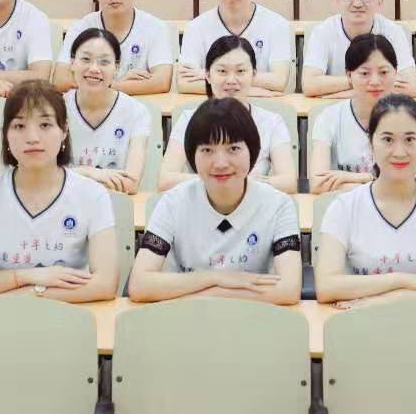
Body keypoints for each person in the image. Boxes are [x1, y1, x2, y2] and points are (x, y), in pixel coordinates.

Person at [0, 81, 119, 302]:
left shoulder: (92, 194)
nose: (32, 137)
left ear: (64, 131)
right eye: (19, 126)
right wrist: (25, 277)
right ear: (6, 135)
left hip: (72, 313)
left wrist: (32, 294)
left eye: (45, 125)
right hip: (5, 316)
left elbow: (105, 285)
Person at [127, 97, 302, 305]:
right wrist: (217, 278)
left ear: (252, 152)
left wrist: (202, 294)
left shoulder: (279, 205)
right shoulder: (172, 202)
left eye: (233, 149)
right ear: (192, 155)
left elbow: (289, 290)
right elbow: (139, 285)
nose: (220, 163)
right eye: (207, 150)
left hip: (254, 318)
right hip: (183, 317)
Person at [314, 95, 416, 305]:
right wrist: (404, 280)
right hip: (361, 319)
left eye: (410, 139)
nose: (399, 152)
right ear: (371, 144)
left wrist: (394, 298)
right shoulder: (344, 207)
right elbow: (326, 287)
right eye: (387, 140)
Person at [160, 36, 295, 193]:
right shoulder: (188, 119)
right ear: (208, 75)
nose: (231, 80)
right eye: (222, 71)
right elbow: (165, 180)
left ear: (253, 75)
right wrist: (222, 179)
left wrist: (235, 181)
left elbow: (288, 182)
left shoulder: (272, 122)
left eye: (240, 71)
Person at [308, 34, 416, 194]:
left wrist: (357, 178)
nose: (375, 81)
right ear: (349, 76)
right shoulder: (329, 118)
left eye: (383, 72)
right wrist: (383, 183)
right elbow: (318, 184)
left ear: (395, 72)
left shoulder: (411, 115)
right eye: (365, 73)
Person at [175, 0, 293, 95]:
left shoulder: (276, 25)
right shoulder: (196, 27)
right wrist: (250, 91)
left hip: (261, 106)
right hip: (215, 106)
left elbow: (279, 81)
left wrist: (211, 75)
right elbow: (184, 84)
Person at [56, 0, 174, 97]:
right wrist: (114, 84)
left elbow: (162, 81)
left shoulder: (155, 28)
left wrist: (109, 85)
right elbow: (61, 79)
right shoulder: (81, 28)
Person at [302, 0, 416, 97]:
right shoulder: (323, 31)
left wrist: (353, 91)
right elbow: (310, 85)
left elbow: (411, 87)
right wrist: (376, 82)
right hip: (335, 106)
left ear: (380, 1)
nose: (357, 3)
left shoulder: (393, 31)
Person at [64, 28, 152, 194]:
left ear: (116, 68)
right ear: (72, 63)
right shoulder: (56, 108)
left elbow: (131, 183)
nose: (94, 68)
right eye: (86, 59)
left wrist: (71, 176)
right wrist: (90, 172)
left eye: (104, 62)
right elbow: (47, 177)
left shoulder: (137, 112)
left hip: (116, 203)